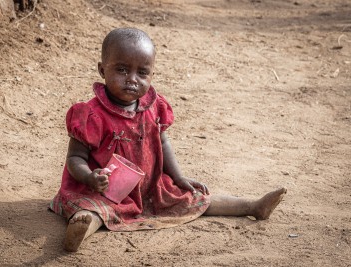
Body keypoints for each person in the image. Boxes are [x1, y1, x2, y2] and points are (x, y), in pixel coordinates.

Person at [49, 27, 287, 252]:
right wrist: (90, 178)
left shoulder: (154, 107)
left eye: (142, 72)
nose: (132, 79)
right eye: (121, 70)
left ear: (152, 74)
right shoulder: (91, 115)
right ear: (102, 70)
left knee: (193, 198)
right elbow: (75, 158)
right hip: (104, 191)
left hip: (151, 188)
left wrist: (178, 176)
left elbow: (163, 143)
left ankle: (252, 206)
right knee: (95, 210)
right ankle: (82, 227)